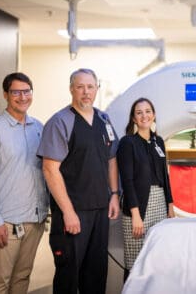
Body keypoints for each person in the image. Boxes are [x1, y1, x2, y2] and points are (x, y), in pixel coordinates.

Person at [37, 68, 120, 294]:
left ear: (97, 89)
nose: (86, 92)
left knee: (96, 272)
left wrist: (113, 194)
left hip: (100, 209)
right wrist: (68, 212)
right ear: (71, 89)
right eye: (80, 87)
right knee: (68, 273)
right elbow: (50, 169)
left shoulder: (104, 119)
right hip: (73, 211)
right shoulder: (60, 121)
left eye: (90, 87)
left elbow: (111, 158)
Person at [0, 72, 49, 294]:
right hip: (5, 222)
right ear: (5, 95)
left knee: (22, 278)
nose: (22, 96)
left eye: (26, 91)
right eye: (16, 92)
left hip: (34, 220)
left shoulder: (39, 128)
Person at [117, 97, 175, 279]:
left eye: (148, 111)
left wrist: (170, 205)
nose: (144, 116)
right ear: (133, 118)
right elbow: (127, 181)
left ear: (154, 115)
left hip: (159, 203)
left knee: (156, 260)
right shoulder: (128, 143)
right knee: (136, 263)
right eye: (139, 113)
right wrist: (136, 214)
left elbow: (165, 177)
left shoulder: (159, 142)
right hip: (138, 205)